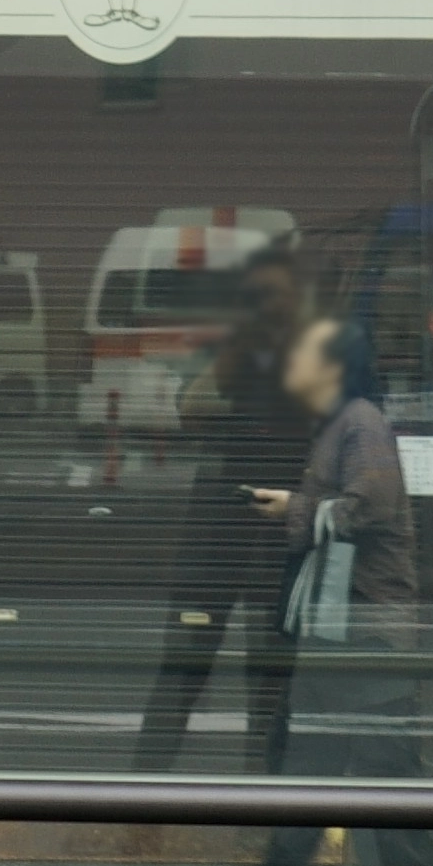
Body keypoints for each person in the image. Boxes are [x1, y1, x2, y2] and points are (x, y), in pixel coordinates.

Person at [220, 313, 433, 866]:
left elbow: (369, 507)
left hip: (366, 627)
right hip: (340, 625)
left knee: (383, 765)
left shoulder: (361, 423)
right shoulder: (344, 423)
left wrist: (292, 508)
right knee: (312, 757)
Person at [133, 244, 308, 777]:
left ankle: (265, 803)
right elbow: (191, 412)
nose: (268, 306)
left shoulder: (313, 355)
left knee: (272, 675)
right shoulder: (236, 352)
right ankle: (141, 800)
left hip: (279, 526)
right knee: (185, 662)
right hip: (218, 524)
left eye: (276, 295)